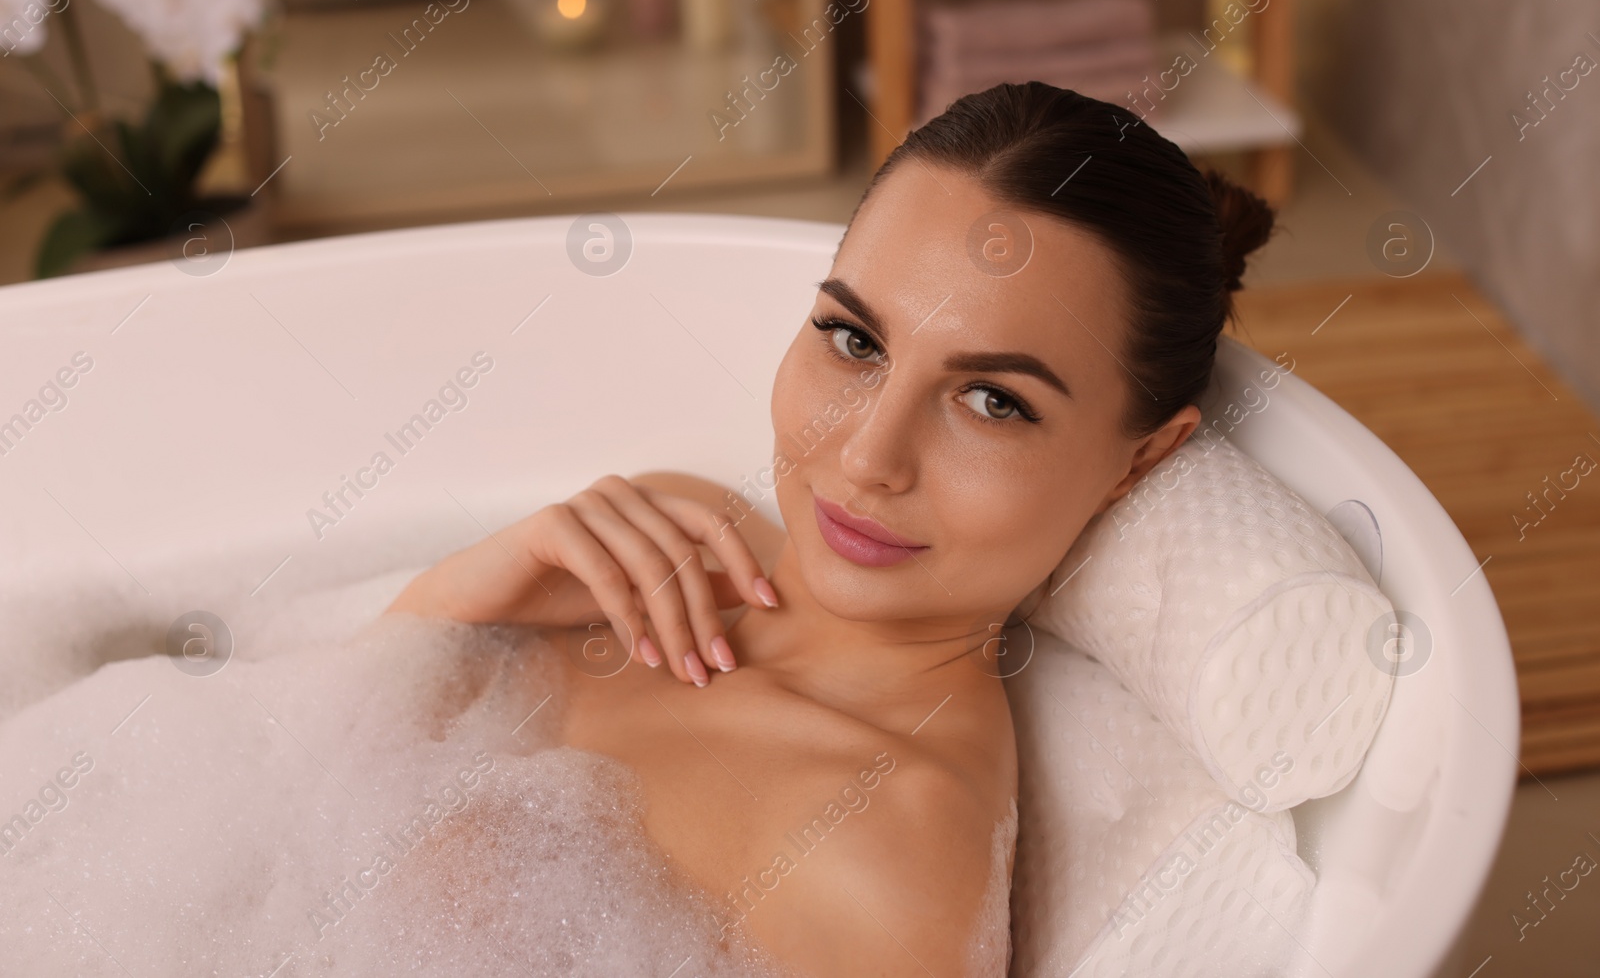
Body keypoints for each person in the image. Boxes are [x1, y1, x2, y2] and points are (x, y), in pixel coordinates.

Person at [384, 81, 1277, 977]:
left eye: (993, 400)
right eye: (855, 340)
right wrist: (447, 601)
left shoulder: (889, 861)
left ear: (1141, 460)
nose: (865, 457)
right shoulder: (665, 532)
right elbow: (297, 755)